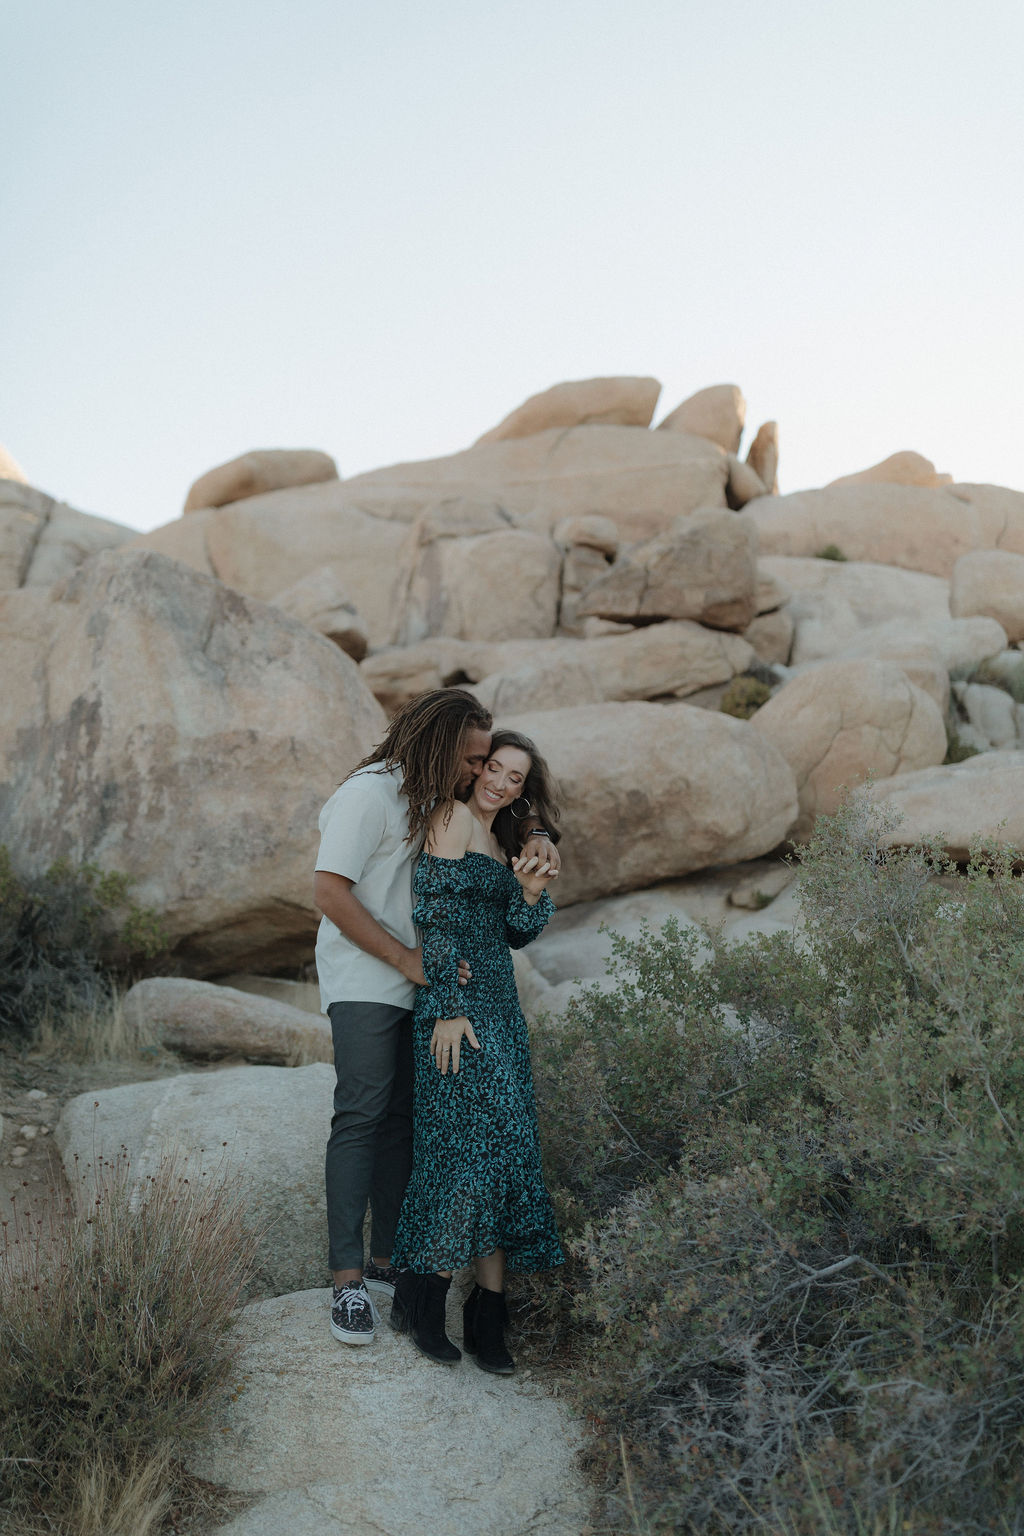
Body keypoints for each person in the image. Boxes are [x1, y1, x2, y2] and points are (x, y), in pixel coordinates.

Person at [313, 693, 560, 1348]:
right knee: (364, 1113)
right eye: (472, 759)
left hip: (429, 979)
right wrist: (415, 966)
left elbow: (507, 788)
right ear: (443, 748)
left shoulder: (431, 794)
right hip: (374, 975)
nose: (480, 771)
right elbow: (327, 890)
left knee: (403, 1123)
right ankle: (347, 1282)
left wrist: (537, 830)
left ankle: (392, 1265)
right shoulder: (371, 795)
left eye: (486, 762)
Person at [389, 729, 564, 1373]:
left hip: (502, 1018)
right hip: (455, 1016)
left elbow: (514, 934)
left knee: (506, 1158)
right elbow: (432, 912)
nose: (501, 782)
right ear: (477, 769)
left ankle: (489, 1324)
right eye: (495, 768)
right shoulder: (452, 818)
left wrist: (531, 892)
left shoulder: (501, 840)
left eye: (516, 778)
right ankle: (420, 1300)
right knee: (461, 1156)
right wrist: (446, 1009)